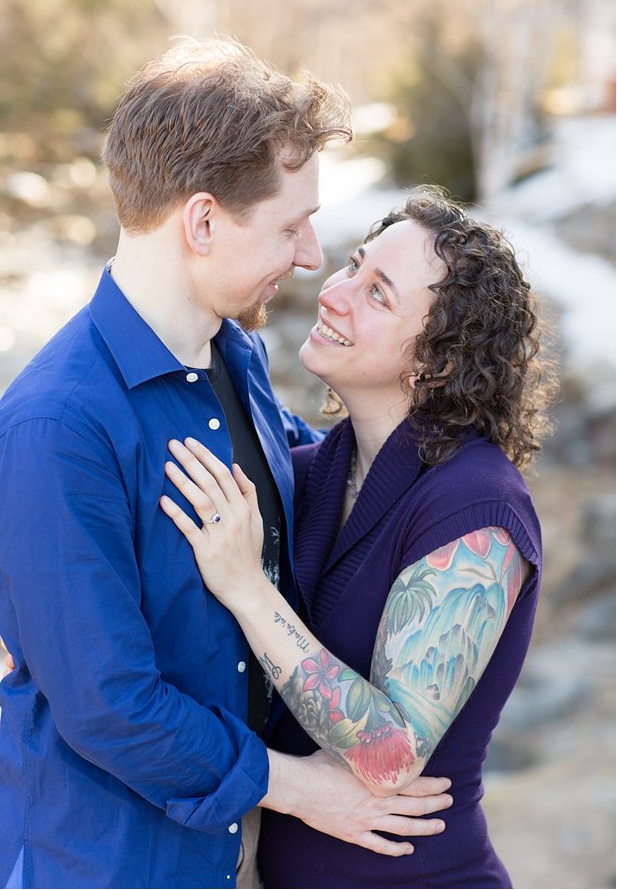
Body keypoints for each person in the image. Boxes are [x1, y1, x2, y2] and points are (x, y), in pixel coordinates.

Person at [0, 41, 452, 890]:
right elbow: (112, 706)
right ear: (201, 222)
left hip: (219, 859)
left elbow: (324, 494)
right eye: (290, 225)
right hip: (88, 864)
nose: (310, 255)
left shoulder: (235, 356)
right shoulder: (55, 429)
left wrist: (470, 479)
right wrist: (310, 791)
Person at [161, 187, 554, 889]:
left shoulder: (478, 509)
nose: (335, 292)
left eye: (378, 294)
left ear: (438, 361)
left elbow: (388, 753)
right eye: (353, 266)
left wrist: (250, 591)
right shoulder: (312, 474)